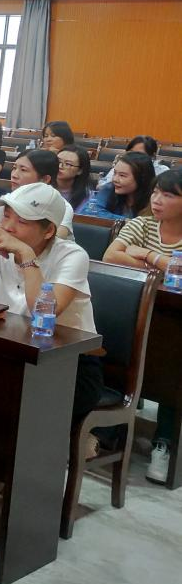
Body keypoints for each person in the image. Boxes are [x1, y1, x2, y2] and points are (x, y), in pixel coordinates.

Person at [0, 182, 102, 520]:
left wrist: (26, 257)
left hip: (69, 368)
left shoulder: (72, 256)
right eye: (6, 216)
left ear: (48, 230)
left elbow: (43, 315)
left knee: (7, 413)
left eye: (21, 221)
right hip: (9, 359)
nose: (7, 226)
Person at [102, 170, 182, 483]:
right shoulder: (142, 224)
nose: (157, 200)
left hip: (175, 320)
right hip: (137, 311)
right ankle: (109, 430)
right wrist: (165, 265)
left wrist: (147, 255)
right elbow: (111, 256)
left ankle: (164, 442)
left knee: (172, 368)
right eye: (156, 192)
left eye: (168, 195)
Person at [0, 149, 73, 238]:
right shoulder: (11, 198)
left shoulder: (62, 206)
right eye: (14, 168)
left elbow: (52, 241)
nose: (14, 175)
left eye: (23, 170)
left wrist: (2, 235)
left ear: (45, 179)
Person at [77, 151, 155, 220]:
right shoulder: (109, 188)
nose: (115, 179)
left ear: (142, 178)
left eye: (122, 175)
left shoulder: (154, 200)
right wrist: (127, 221)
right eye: (115, 173)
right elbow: (89, 212)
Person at [56, 144, 93, 213]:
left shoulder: (86, 195)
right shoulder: (42, 186)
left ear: (80, 170)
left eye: (68, 164)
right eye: (58, 161)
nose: (60, 166)